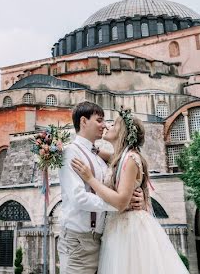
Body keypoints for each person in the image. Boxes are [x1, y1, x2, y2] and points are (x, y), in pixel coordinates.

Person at [71, 108, 189, 274]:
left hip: (129, 229)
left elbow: (120, 202)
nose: (108, 126)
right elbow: (108, 156)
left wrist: (90, 178)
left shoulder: (131, 159)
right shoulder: (121, 157)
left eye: (114, 124)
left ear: (122, 132)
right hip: (117, 227)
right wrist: (87, 148)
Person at [57, 102, 146, 274]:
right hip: (79, 241)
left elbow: (121, 177)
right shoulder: (71, 153)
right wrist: (121, 204)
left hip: (103, 239)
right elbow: (79, 198)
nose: (104, 125)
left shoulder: (99, 157)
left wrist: (135, 195)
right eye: (99, 120)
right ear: (83, 121)